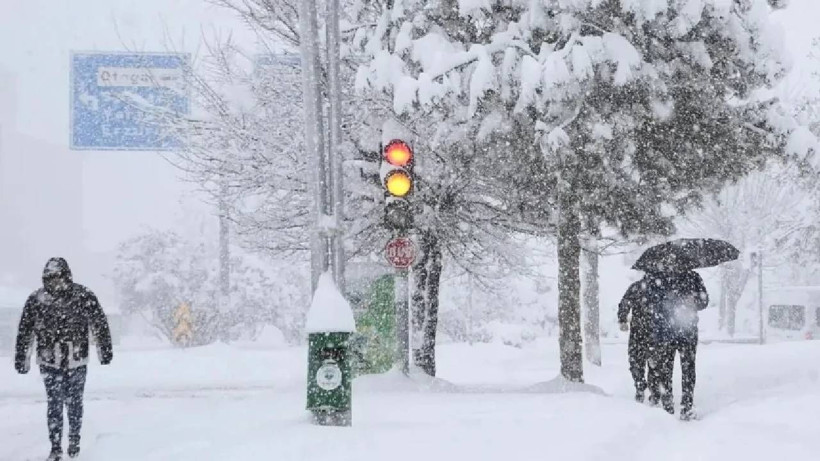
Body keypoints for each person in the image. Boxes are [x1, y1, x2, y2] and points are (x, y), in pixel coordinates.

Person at [14, 258, 114, 460]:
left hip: (76, 358)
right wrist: (22, 357)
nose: (55, 283)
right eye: (50, 279)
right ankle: (56, 446)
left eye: (58, 278)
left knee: (75, 403)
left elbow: (99, 323)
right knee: (54, 403)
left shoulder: (83, 296)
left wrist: (104, 350)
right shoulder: (36, 300)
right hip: (49, 360)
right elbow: (25, 331)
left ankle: (74, 440)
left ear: (66, 276)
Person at [648, 270, 708, 420]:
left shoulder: (693, 277)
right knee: (665, 370)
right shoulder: (659, 277)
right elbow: (650, 301)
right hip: (666, 332)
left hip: (687, 332)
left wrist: (693, 301)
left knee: (688, 369)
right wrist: (667, 301)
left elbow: (704, 301)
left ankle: (686, 406)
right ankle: (667, 405)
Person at [617, 274, 655, 403]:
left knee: (636, 361)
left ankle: (641, 385)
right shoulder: (660, 287)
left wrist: (623, 319)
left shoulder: (637, 287)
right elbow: (625, 303)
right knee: (654, 363)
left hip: (638, 331)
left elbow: (625, 302)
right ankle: (651, 389)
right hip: (654, 332)